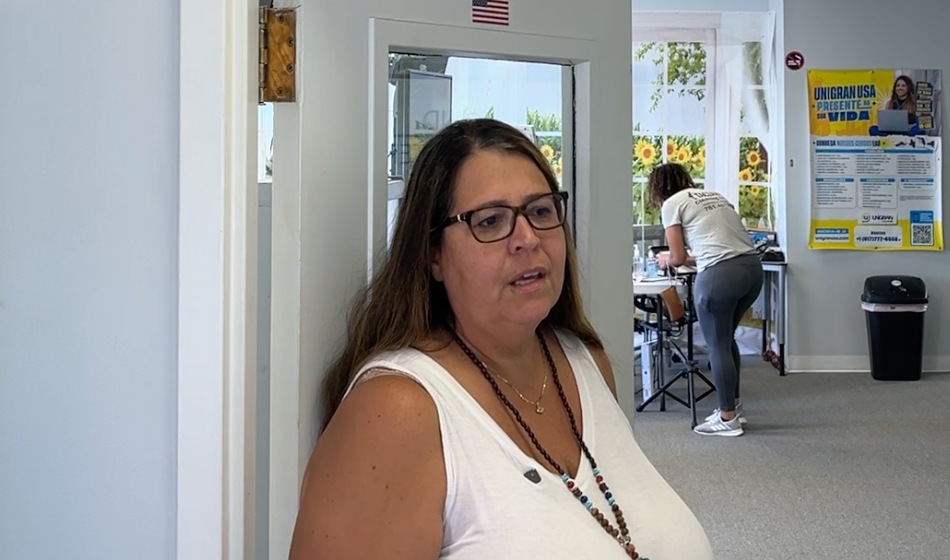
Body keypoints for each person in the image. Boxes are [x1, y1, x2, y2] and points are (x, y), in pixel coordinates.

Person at [291, 119, 712, 560]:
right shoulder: (397, 411)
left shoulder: (584, 361)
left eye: (541, 211)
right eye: (490, 221)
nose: (527, 239)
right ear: (432, 253)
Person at [648, 163, 764, 438]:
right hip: (751, 271)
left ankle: (727, 419)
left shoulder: (672, 204)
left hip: (719, 278)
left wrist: (666, 258)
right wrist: (684, 257)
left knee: (717, 345)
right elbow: (716, 247)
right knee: (726, 339)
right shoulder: (714, 197)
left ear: (657, 188)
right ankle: (733, 408)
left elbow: (675, 258)